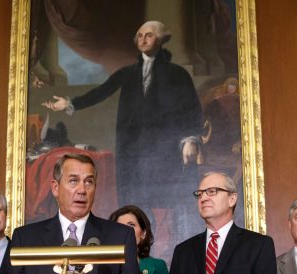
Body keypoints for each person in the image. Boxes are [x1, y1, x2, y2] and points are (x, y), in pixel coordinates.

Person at [42, 20, 203, 256]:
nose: (143, 39)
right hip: (134, 153)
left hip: (165, 152)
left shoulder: (177, 74)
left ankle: (172, 254)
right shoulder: (128, 73)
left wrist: (190, 139)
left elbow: (191, 107)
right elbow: (102, 91)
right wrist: (70, 103)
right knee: (137, 201)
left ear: (160, 39)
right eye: (139, 35)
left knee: (172, 200)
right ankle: (140, 254)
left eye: (149, 35)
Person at [10, 152, 139, 274]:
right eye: (73, 181)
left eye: (88, 182)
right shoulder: (25, 239)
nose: (82, 190)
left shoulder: (121, 237)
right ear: (55, 188)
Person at [109, 204, 168, 274]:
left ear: (143, 233)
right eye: (120, 226)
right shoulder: (103, 267)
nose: (126, 231)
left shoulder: (158, 266)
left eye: (131, 225)